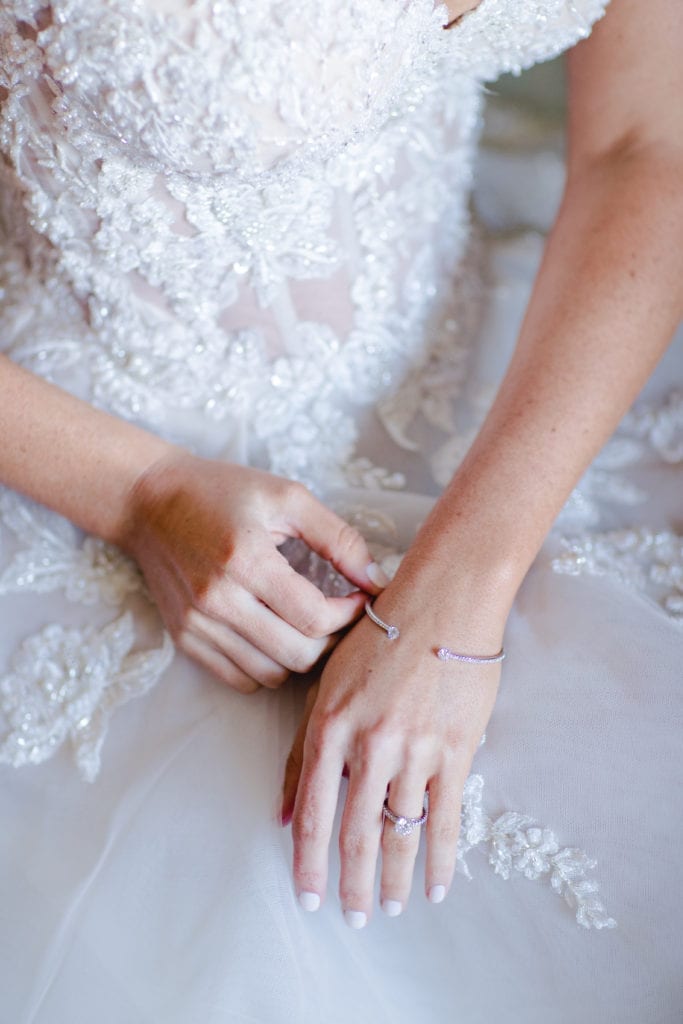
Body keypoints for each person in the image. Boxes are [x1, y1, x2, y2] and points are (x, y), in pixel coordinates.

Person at [0, 0, 681, 1020]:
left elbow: (643, 144)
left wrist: (465, 583)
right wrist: (137, 490)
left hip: (500, 393)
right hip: (88, 453)